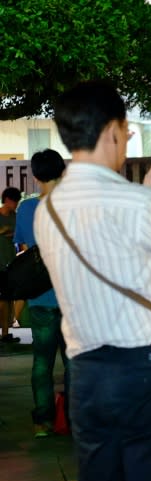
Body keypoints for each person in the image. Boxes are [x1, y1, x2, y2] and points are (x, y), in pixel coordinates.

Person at [34, 80, 151, 481]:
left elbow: (113, 240)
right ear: (112, 132)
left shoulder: (47, 209)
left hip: (86, 375)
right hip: (149, 373)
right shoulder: (140, 205)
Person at [13, 150, 67, 438]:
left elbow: (21, 249)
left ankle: (43, 422)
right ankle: (75, 418)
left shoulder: (25, 209)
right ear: (62, 171)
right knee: (75, 363)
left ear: (34, 175)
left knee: (42, 362)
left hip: (40, 299)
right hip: (73, 300)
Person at [0, 187, 21, 343]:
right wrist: (3, 231)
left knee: (7, 299)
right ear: (7, 200)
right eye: (15, 201)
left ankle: (5, 333)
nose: (16, 204)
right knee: (2, 300)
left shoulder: (16, 217)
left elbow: (18, 235)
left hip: (10, 261)